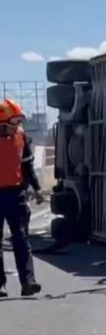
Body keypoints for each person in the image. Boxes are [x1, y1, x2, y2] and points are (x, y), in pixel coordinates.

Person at [0, 98, 43, 298]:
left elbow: (27, 167)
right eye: (14, 121)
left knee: (21, 239)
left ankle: (28, 282)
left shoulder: (20, 137)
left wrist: (37, 188)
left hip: (16, 194)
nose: (18, 126)